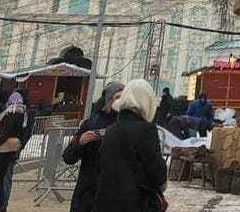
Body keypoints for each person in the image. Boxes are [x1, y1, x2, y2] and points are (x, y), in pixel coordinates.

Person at [91, 79, 167, 212]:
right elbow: (157, 173)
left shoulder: (112, 129)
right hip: (136, 204)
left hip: (106, 203)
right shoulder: (146, 130)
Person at [64, 81, 125, 212]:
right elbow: (68, 157)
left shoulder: (128, 125)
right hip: (88, 191)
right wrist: (80, 143)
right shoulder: (91, 123)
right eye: (117, 97)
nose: (121, 101)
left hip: (116, 193)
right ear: (108, 100)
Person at [0, 92, 27, 212]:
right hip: (12, 148)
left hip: (5, 147)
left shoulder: (12, 113)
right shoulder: (22, 114)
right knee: (1, 176)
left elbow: (5, 133)